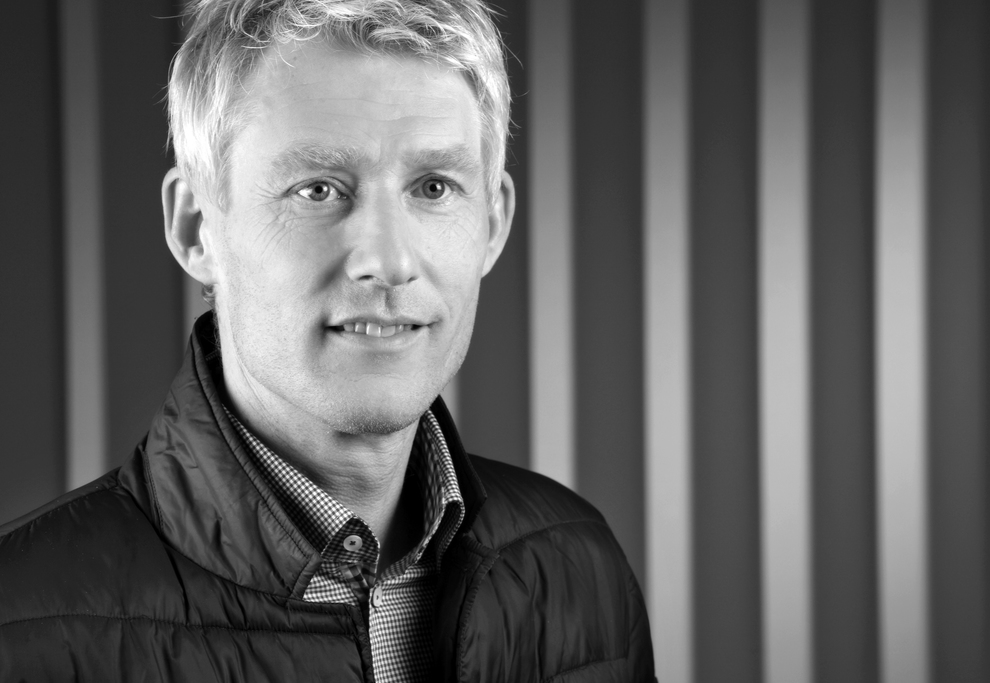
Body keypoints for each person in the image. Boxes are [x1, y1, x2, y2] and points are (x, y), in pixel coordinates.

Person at [0, 0, 655, 680]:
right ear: (196, 227)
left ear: (492, 223)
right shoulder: (20, 630)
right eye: (318, 189)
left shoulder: (578, 573)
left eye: (434, 187)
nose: (388, 261)